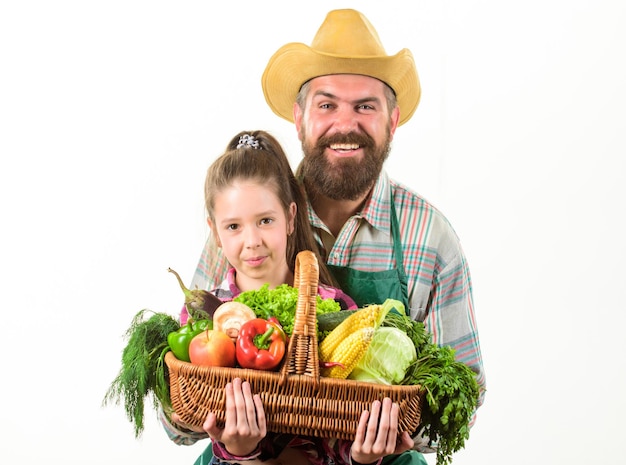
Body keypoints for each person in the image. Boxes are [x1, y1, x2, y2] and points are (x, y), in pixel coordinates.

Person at [187, 9, 487, 465]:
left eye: (365, 106)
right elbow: (179, 410)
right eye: (327, 104)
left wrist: (400, 432)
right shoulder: (248, 217)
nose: (345, 124)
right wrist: (230, 436)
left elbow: (461, 402)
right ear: (299, 117)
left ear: (393, 119)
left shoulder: (430, 238)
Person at [161, 129, 414, 465]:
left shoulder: (332, 306)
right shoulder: (203, 317)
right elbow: (190, 419)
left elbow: (344, 420)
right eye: (233, 226)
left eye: (265, 220)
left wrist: (363, 456)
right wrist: (239, 450)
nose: (251, 241)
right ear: (215, 233)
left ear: (291, 218)